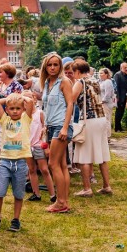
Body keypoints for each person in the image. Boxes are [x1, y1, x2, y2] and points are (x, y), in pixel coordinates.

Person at [0, 93, 34, 232]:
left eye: (18, 108)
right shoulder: (4, 120)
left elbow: (30, 101)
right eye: (11, 108)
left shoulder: (26, 119)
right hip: (5, 162)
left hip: (20, 163)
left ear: (23, 109)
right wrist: (10, 99)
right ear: (7, 110)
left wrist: (19, 97)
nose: (14, 111)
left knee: (18, 193)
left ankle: (16, 219)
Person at [71, 60, 112, 196]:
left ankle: (87, 188)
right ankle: (106, 185)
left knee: (84, 155)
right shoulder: (95, 81)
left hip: (88, 119)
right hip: (101, 118)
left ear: (77, 71)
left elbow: (71, 99)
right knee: (102, 153)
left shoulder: (80, 82)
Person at [41, 53, 74, 213]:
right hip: (52, 125)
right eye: (50, 65)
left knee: (52, 164)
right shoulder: (47, 82)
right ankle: (64, 200)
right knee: (61, 165)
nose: (53, 67)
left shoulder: (64, 82)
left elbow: (70, 105)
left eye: (55, 64)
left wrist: (65, 127)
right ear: (45, 67)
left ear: (60, 66)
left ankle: (60, 202)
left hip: (61, 126)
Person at [25, 90, 56, 202]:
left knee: (44, 169)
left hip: (38, 145)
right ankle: (36, 193)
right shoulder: (23, 115)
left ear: (34, 99)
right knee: (31, 169)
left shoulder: (40, 113)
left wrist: (46, 146)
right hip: (27, 146)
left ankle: (52, 194)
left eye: (29, 99)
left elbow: (45, 129)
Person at [113, 62, 127, 132]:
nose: (126, 69)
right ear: (121, 68)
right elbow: (116, 87)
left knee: (121, 112)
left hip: (125, 96)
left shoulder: (126, 75)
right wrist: (117, 97)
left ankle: (119, 127)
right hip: (119, 97)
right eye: (125, 67)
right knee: (118, 112)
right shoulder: (118, 75)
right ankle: (117, 128)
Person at [99, 68, 115, 138]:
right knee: (104, 119)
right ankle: (105, 135)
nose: (100, 75)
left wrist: (102, 101)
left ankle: (107, 136)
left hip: (106, 103)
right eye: (100, 73)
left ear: (106, 74)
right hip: (103, 103)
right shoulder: (102, 82)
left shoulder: (108, 82)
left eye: (102, 73)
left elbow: (108, 93)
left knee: (107, 119)